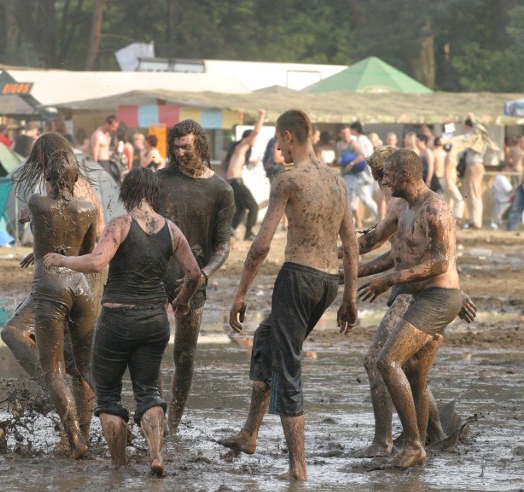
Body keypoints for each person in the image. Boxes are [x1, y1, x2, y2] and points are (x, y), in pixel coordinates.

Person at [219, 109, 359, 481]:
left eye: (277, 141)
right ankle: (249, 434)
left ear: (288, 137)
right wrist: (350, 297)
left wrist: (240, 294)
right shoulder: (335, 182)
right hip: (328, 282)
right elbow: (352, 245)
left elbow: (261, 245)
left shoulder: (288, 179)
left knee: (288, 366)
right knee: (266, 338)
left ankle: (298, 468)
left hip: (298, 278)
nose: (276, 147)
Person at [44, 168, 202, 476]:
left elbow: (96, 261)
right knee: (147, 391)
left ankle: (118, 467)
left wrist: (60, 260)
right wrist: (181, 301)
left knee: (108, 397)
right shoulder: (172, 230)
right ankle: (156, 456)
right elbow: (195, 275)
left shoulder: (121, 224)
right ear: (153, 194)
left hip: (117, 321)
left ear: (127, 193)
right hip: (155, 321)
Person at [340, 146, 476, 458]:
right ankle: (432, 436)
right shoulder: (404, 205)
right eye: (379, 177)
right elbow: (388, 248)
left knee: (382, 361)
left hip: (419, 292)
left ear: (402, 174)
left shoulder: (426, 205)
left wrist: (457, 293)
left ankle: (388, 440)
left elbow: (439, 259)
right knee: (412, 371)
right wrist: (336, 263)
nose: (381, 185)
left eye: (384, 177)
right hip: (412, 289)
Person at [1, 133, 105, 452]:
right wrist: (46, 247)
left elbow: (83, 231)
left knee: (47, 359)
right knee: (81, 366)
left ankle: (72, 429)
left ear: (46, 163)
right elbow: (84, 245)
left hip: (59, 283)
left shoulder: (39, 199)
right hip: (82, 280)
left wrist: (45, 240)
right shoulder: (82, 199)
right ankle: (82, 431)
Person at [156, 119, 234, 435]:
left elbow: (225, 244)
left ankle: (173, 424)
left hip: (194, 281)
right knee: (152, 349)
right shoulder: (157, 181)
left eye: (186, 147)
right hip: (154, 278)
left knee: (185, 356)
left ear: (200, 147)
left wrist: (204, 274)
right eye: (175, 147)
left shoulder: (221, 190)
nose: (180, 153)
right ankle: (155, 417)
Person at [26, 148, 98, 460]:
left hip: (50, 286)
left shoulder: (36, 203)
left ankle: (75, 438)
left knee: (53, 370)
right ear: (76, 178)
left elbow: (39, 236)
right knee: (86, 368)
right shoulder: (88, 209)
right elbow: (89, 250)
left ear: (47, 179)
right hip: (81, 287)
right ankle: (114, 419)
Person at [225, 109, 266, 241]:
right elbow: (256, 132)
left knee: (241, 209)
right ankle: (249, 233)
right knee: (253, 206)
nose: (254, 141)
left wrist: (252, 163)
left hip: (232, 182)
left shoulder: (238, 149)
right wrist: (262, 116)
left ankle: (230, 232)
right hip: (236, 181)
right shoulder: (243, 144)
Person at [336, 124, 377, 229]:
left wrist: (351, 164)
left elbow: (362, 156)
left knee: (356, 201)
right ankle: (355, 224)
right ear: (340, 134)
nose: (346, 135)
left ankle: (378, 218)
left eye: (348, 133)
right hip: (344, 175)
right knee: (350, 202)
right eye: (344, 133)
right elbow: (341, 158)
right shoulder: (339, 145)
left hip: (355, 176)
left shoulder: (353, 143)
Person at [490, 162, 513, 230]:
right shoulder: (501, 178)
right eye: (508, 169)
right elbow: (510, 190)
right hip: (505, 199)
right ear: (503, 169)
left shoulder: (499, 177)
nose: (510, 170)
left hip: (501, 198)